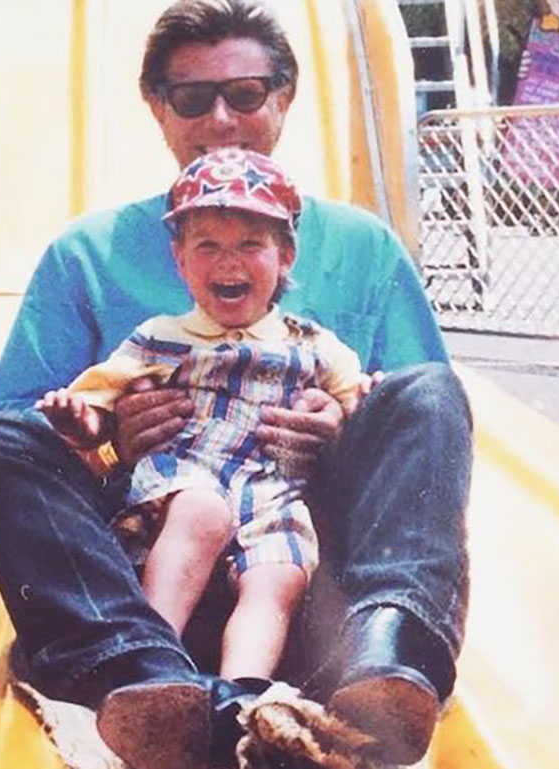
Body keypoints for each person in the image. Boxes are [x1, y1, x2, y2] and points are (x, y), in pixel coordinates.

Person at [0, 1, 472, 767]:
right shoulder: (87, 253)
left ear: (286, 99)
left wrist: (341, 437)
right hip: (149, 572)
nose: (221, 118)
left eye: (248, 92)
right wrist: (110, 441)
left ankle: (388, 646)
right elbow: (26, 433)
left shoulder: (364, 246)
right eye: (192, 97)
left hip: (308, 567)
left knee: (431, 391)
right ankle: (142, 680)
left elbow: (411, 426)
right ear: (156, 108)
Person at [37, 149, 362, 683]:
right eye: (207, 246)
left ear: (285, 257)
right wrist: (81, 422)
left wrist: (350, 410)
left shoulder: (313, 344)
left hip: (270, 493)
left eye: (250, 245)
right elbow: (101, 406)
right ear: (181, 262)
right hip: (188, 481)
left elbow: (355, 400)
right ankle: (150, 664)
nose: (228, 262)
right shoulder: (161, 337)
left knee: (280, 573)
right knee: (203, 514)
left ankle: (241, 692)